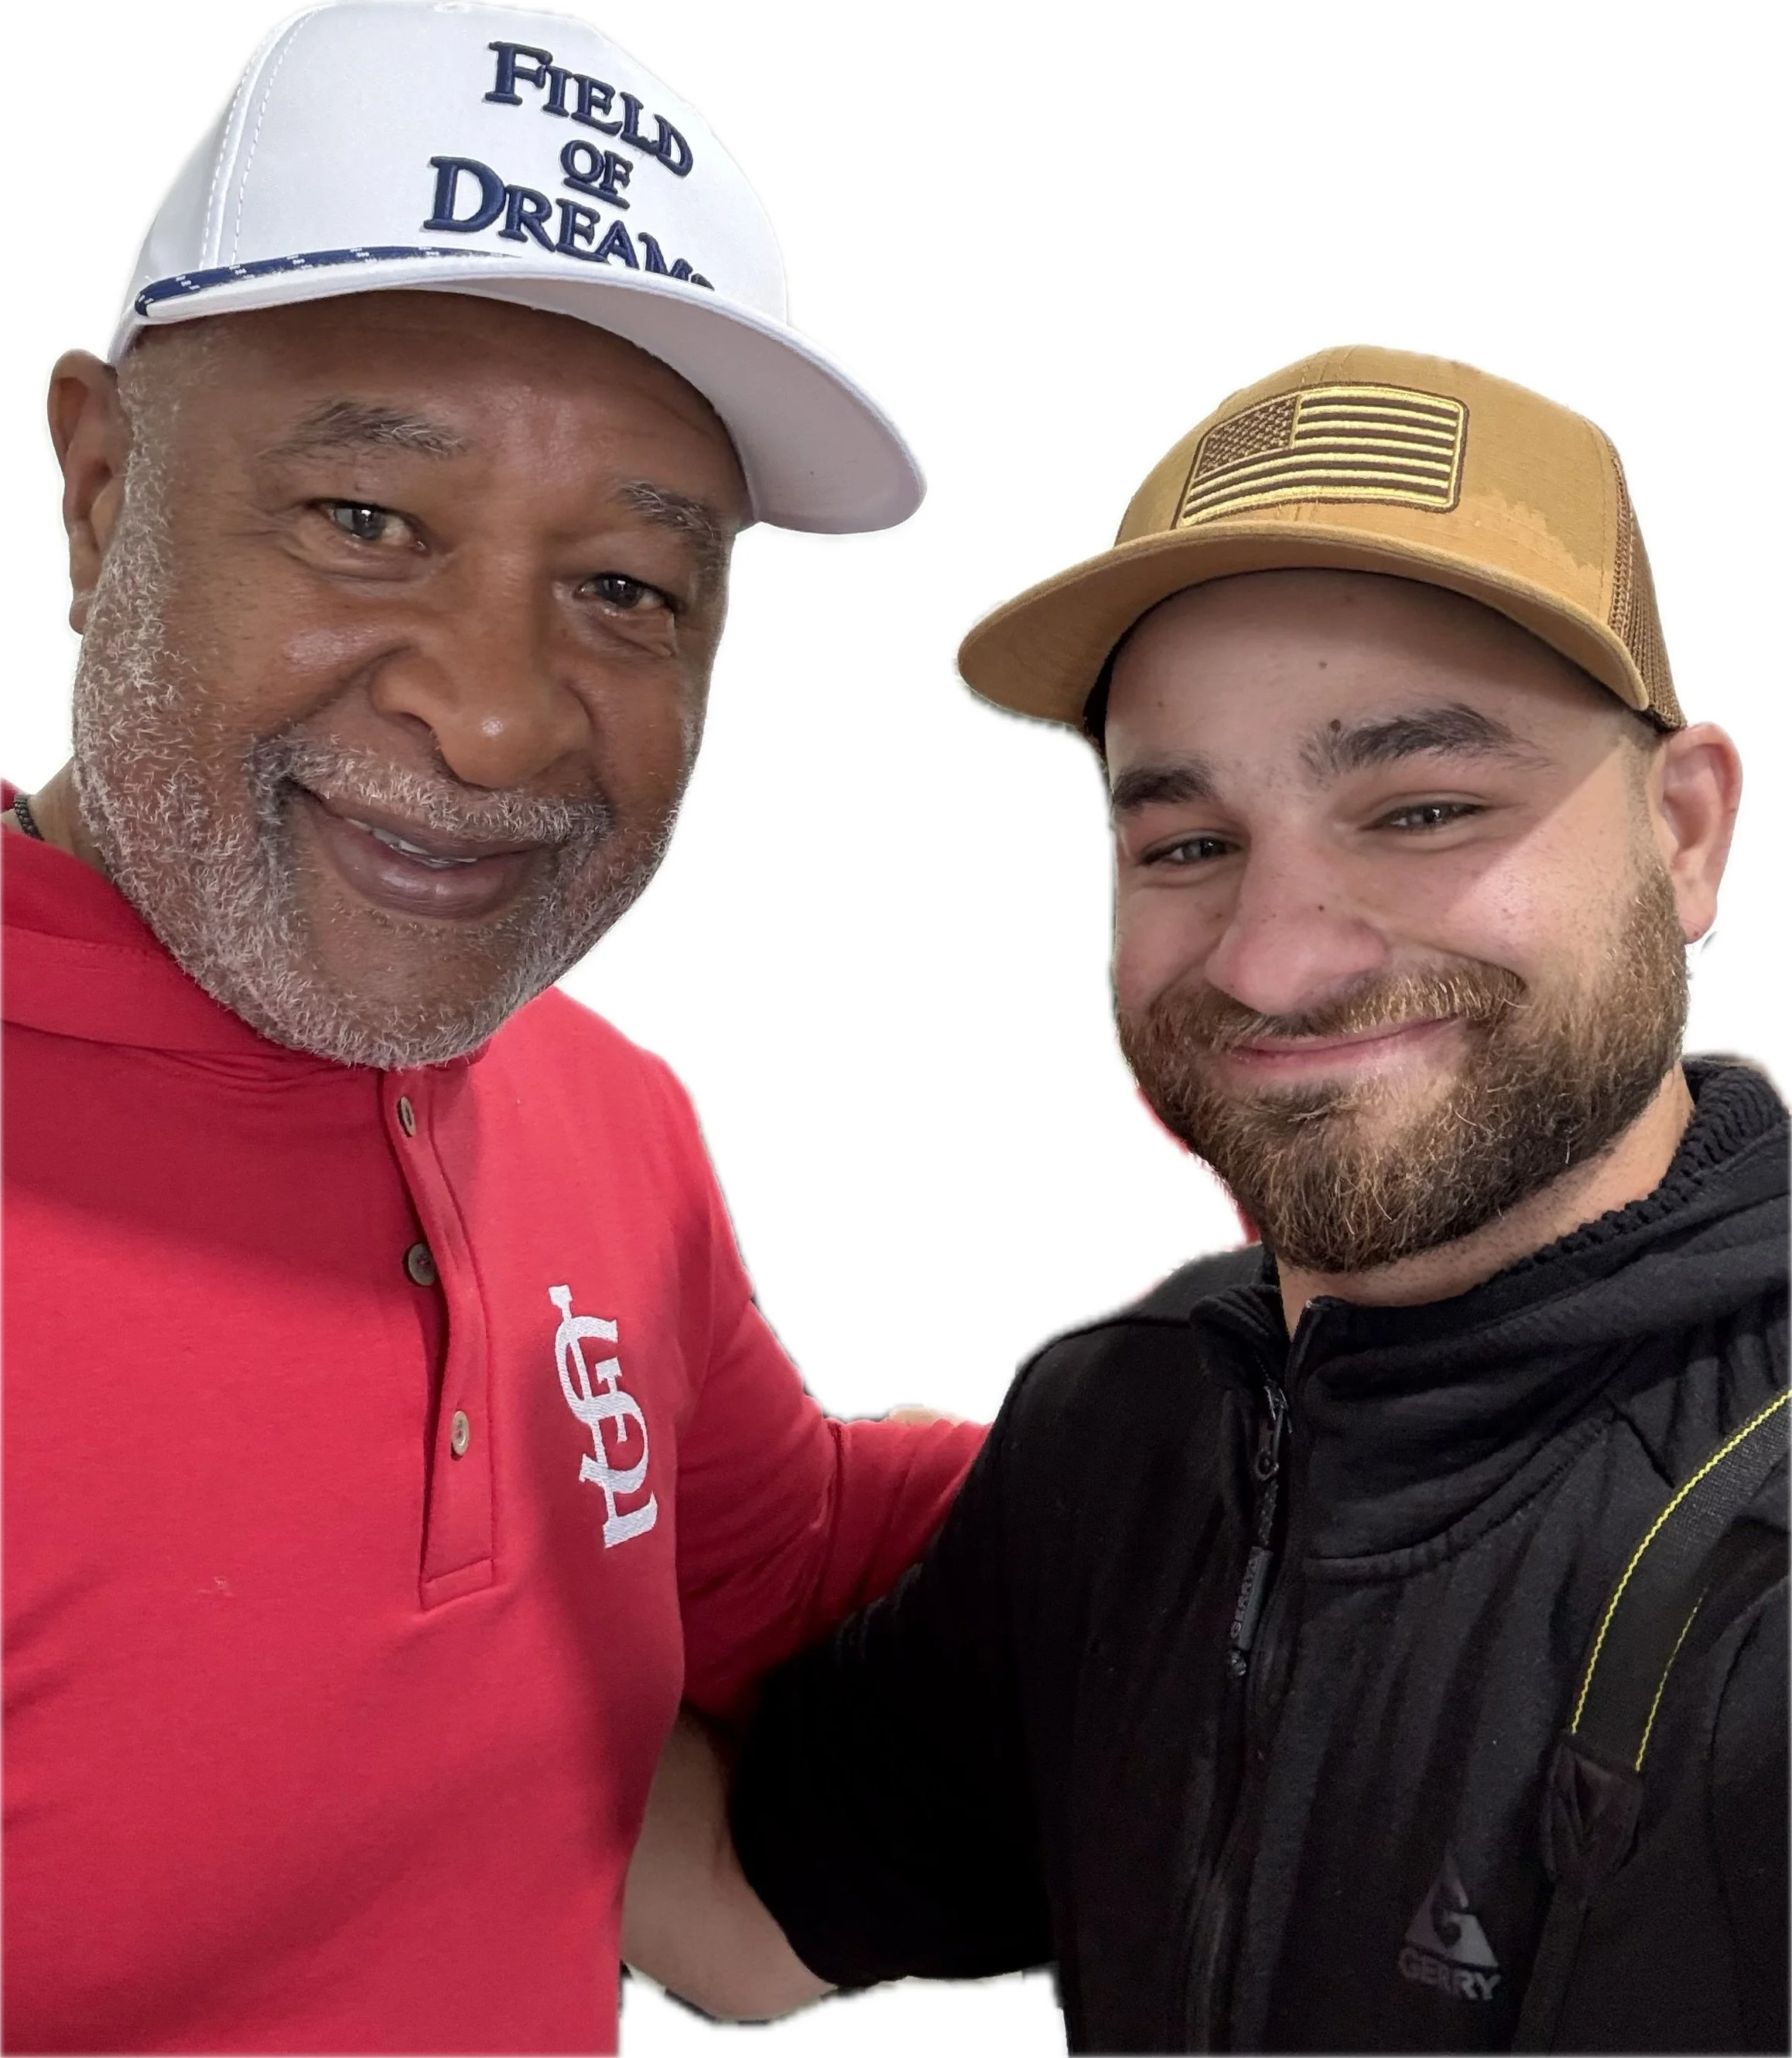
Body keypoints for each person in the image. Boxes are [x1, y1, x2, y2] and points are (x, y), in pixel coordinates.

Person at [1, 4, 984, 2049]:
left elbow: (775, 1561)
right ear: (100, 494)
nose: (502, 713)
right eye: (368, 519)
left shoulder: (599, 1110)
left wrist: (1322, 1381)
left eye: (627, 585)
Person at [620, 347, 1789, 2052]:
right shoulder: (1134, 1424)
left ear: (1683, 835)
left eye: (1426, 806)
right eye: (1184, 843)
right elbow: (736, 1909)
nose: (1274, 951)